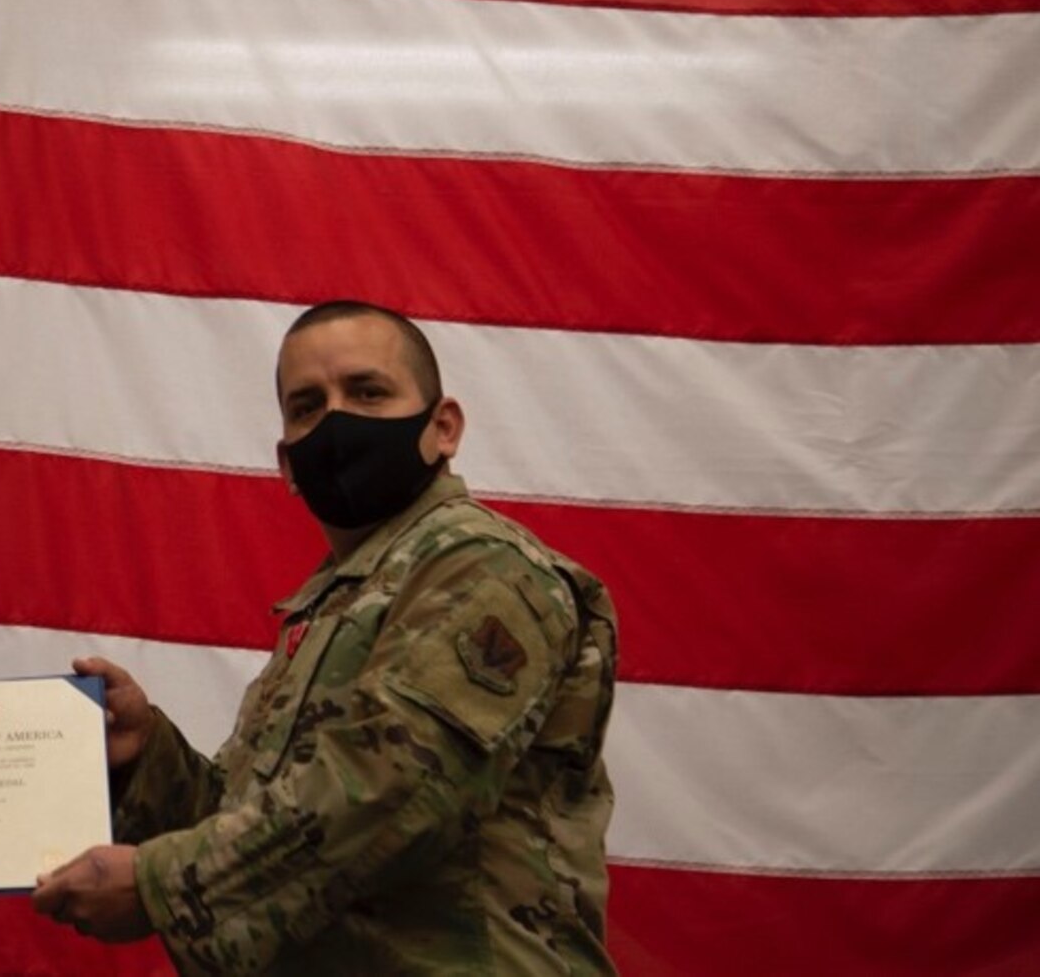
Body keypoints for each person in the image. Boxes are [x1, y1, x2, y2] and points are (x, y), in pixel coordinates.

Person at [34, 300, 618, 974]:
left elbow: (397, 789)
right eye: (308, 406)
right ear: (287, 464)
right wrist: (146, 756)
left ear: (445, 427)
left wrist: (158, 885)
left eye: (368, 392)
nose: (337, 423)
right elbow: (258, 819)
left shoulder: (483, 565)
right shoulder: (340, 599)